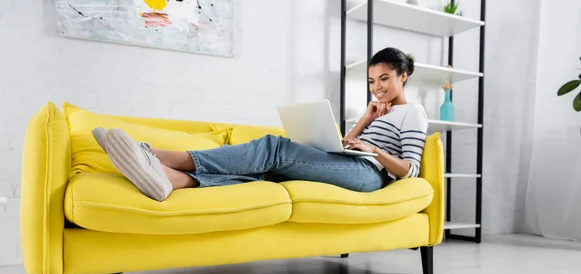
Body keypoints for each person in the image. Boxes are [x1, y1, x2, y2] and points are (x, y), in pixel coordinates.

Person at [92, 47, 429, 202]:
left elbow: (410, 170)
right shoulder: (374, 111)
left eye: (384, 78)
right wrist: (364, 122)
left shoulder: (413, 113)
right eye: (372, 80)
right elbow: (345, 145)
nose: (378, 86)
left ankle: (158, 156)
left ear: (404, 76)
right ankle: (174, 180)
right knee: (266, 174)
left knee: (273, 147)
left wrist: (373, 149)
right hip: (352, 162)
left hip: (371, 175)